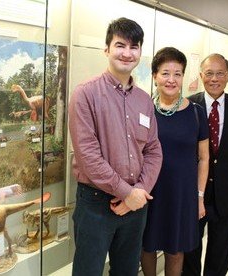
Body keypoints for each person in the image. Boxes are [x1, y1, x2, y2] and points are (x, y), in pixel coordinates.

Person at [68, 17, 163, 276]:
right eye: (120, 45)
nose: (127, 53)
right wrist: (126, 193)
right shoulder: (85, 94)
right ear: (107, 49)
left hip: (135, 205)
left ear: (140, 53)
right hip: (96, 205)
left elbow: (154, 150)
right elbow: (88, 156)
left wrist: (139, 192)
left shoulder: (144, 100)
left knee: (127, 271)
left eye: (134, 47)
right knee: (88, 271)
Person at [141, 47, 209, 276]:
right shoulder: (144, 110)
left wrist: (199, 197)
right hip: (149, 190)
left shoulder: (197, 113)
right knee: (146, 246)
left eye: (177, 74)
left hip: (181, 193)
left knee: (175, 250)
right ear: (154, 76)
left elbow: (204, 158)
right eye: (165, 73)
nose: (171, 80)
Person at [182, 54, 228, 276]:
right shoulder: (187, 105)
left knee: (220, 251)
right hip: (194, 192)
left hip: (226, 192)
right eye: (209, 73)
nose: (214, 78)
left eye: (220, 73)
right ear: (201, 75)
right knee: (190, 249)